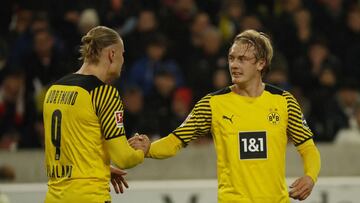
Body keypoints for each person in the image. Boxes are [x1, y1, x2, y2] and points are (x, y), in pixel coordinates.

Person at [130, 29, 321, 202]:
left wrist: (310, 176)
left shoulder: (284, 101)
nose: (234, 65)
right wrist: (149, 149)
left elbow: (308, 148)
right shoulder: (212, 104)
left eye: (242, 59)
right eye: (231, 58)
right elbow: (175, 141)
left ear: (261, 63)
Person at [43, 26, 150, 203]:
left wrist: (102, 168)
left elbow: (72, 146)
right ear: (112, 54)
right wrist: (142, 151)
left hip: (54, 196)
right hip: (89, 196)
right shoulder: (104, 93)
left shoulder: (54, 90)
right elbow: (124, 158)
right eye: (122, 54)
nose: (123, 60)